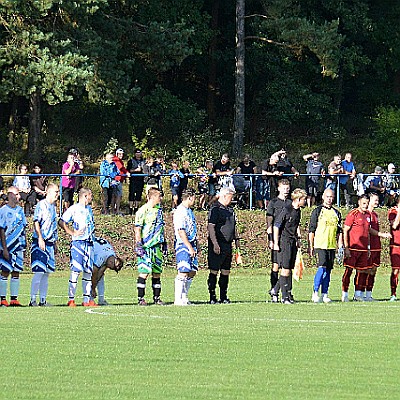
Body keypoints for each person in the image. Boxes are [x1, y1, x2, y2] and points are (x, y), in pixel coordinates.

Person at [341, 194, 390, 302]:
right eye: (363, 203)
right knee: (348, 270)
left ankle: (358, 294)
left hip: (363, 249)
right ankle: (344, 294)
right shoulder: (353, 214)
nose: (365, 205)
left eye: (367, 203)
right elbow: (345, 230)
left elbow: (368, 231)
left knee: (362, 272)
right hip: (353, 248)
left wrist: (368, 247)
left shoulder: (368, 215)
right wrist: (346, 247)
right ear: (359, 202)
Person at [58, 188, 97, 307]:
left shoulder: (89, 209)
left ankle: (86, 300)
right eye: (90, 195)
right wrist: (71, 232)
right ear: (85, 196)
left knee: (88, 272)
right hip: (78, 243)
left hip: (89, 243)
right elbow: (61, 221)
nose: (91, 198)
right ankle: (71, 299)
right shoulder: (74, 209)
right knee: (75, 271)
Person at [207, 186, 241, 304]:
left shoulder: (230, 210)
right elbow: (211, 227)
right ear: (225, 196)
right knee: (214, 270)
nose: (231, 200)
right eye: (231, 197)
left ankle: (223, 296)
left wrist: (237, 241)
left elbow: (233, 226)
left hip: (228, 244)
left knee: (226, 271)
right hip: (218, 244)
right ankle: (212, 296)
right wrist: (215, 243)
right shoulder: (215, 209)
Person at [273, 188, 307, 304]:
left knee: (290, 269)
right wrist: (276, 243)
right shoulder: (286, 210)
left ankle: (275, 290)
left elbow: (295, 226)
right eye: (304, 199)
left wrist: (298, 238)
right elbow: (276, 226)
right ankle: (285, 297)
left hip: (292, 241)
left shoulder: (298, 211)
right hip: (284, 241)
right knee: (285, 269)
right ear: (298, 199)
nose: (305, 201)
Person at [309, 188, 343, 303]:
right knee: (321, 268)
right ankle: (315, 292)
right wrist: (311, 246)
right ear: (323, 197)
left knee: (328, 270)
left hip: (331, 246)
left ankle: (325, 294)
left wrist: (340, 246)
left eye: (331, 197)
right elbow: (311, 230)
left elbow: (339, 232)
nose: (329, 199)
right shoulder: (317, 211)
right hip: (320, 244)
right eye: (327, 196)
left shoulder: (336, 213)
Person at [134, 187, 167, 306]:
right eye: (159, 196)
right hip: (146, 246)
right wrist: (139, 244)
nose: (161, 199)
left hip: (156, 246)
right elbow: (137, 228)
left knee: (157, 272)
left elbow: (161, 228)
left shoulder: (159, 210)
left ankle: (157, 297)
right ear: (153, 197)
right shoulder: (143, 210)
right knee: (144, 272)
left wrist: (164, 242)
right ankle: (140, 298)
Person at [29, 183, 59, 307]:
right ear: (49, 192)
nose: (58, 194)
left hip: (50, 243)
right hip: (40, 242)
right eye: (56, 191)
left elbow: (53, 226)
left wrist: (55, 242)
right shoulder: (42, 205)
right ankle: (32, 300)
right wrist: (40, 238)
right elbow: (36, 221)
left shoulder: (53, 207)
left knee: (46, 273)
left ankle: (43, 300)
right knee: (39, 272)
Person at [0, 186, 27, 306]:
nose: (18, 197)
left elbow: (23, 229)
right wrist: (4, 248)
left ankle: (14, 299)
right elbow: (1, 230)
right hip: (8, 246)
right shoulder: (3, 210)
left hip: (18, 246)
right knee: (5, 271)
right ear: (10, 195)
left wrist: (24, 246)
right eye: (16, 194)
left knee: (16, 272)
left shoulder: (20, 210)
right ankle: (2, 299)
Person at [266, 179, 291, 302]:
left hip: (287, 239)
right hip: (277, 239)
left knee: (287, 267)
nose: (286, 190)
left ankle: (287, 292)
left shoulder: (291, 203)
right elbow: (269, 223)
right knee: (276, 266)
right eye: (284, 188)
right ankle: (274, 291)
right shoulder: (273, 203)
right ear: (279, 188)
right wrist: (271, 239)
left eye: (288, 188)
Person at [173, 189, 198, 305]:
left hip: (192, 243)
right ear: (190, 198)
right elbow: (181, 231)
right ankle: (178, 299)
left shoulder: (189, 211)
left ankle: (184, 296)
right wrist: (189, 246)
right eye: (194, 198)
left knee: (192, 271)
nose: (195, 200)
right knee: (183, 270)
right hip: (183, 244)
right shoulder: (180, 211)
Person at [90, 237, 123, 306]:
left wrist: (93, 287)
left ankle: (101, 300)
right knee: (87, 275)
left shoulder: (111, 257)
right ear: (111, 263)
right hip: (84, 250)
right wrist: (93, 288)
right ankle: (88, 300)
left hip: (96, 248)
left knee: (101, 276)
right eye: (112, 268)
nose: (111, 269)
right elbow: (94, 272)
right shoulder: (102, 256)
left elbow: (100, 272)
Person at [388, 197, 400, 301]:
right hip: (396, 245)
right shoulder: (392, 211)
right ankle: (393, 294)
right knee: (396, 270)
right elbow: (395, 225)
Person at [127, 149, 145, 215]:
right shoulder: (131, 161)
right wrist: (135, 170)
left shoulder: (144, 161)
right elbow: (128, 170)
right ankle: (131, 208)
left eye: (139, 152)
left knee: (139, 194)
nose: (138, 154)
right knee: (131, 194)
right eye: (137, 153)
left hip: (141, 180)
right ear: (134, 154)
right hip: (133, 180)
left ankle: (136, 208)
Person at [112, 148, 130, 215]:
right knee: (117, 195)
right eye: (119, 154)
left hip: (119, 180)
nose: (121, 155)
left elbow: (122, 169)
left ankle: (115, 210)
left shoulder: (120, 160)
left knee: (117, 195)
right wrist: (127, 173)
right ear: (116, 154)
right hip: (116, 180)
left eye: (122, 154)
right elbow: (121, 168)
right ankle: (116, 210)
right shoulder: (116, 159)